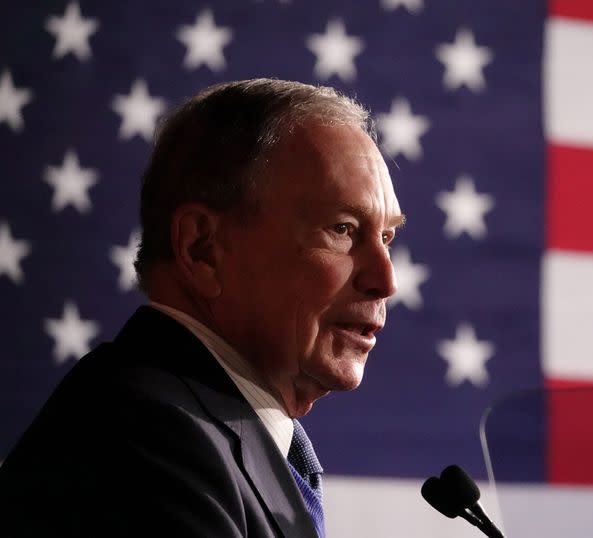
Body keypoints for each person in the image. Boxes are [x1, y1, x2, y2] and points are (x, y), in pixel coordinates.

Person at [0, 79, 404, 537]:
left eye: (388, 237)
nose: (386, 280)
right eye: (343, 229)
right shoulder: (144, 441)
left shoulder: (204, 431)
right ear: (202, 250)